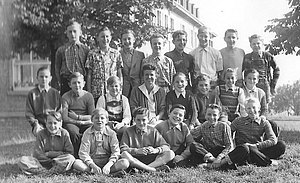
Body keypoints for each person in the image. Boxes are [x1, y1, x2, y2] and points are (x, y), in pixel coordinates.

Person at [218, 98, 286, 168]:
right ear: (246, 110)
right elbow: (228, 133)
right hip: (243, 150)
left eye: (254, 107)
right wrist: (232, 145)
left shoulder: (264, 122)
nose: (251, 110)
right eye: (248, 108)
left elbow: (273, 140)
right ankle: (268, 162)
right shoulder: (238, 121)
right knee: (246, 148)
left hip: (257, 150)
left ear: (259, 108)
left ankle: (254, 160)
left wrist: (256, 146)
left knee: (281, 145)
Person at [72, 108, 129, 177]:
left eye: (102, 118)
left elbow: (116, 152)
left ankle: (105, 171)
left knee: (125, 162)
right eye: (96, 118)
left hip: (107, 161)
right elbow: (83, 152)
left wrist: (108, 165)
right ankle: (99, 172)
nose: (99, 120)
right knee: (76, 163)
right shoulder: (87, 133)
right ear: (92, 120)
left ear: (107, 120)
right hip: (93, 161)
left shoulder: (112, 133)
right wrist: (92, 165)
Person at [120, 107, 175, 172]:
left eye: (144, 120)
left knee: (171, 153)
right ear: (134, 120)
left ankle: (142, 169)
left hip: (151, 159)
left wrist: (156, 150)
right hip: (135, 158)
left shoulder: (153, 130)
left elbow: (166, 146)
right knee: (124, 154)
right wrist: (137, 151)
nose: (141, 123)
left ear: (148, 120)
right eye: (138, 120)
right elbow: (123, 149)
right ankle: (153, 170)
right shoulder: (128, 131)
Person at [189, 104, 234, 169]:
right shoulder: (203, 126)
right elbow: (191, 134)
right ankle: (213, 161)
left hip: (221, 152)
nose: (212, 117)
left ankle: (211, 165)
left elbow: (229, 146)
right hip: (209, 153)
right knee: (193, 145)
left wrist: (219, 157)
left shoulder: (224, 126)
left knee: (236, 153)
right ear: (205, 115)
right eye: (209, 114)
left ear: (219, 116)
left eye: (215, 115)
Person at [86, 26, 123, 103]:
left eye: (107, 36)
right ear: (98, 38)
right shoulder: (92, 54)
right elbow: (89, 75)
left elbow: (120, 74)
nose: (105, 39)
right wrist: (89, 93)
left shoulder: (116, 53)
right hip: (96, 92)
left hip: (112, 92)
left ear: (111, 37)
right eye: (102, 37)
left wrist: (120, 89)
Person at [62, 72, 95, 158]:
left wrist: (79, 118)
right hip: (71, 122)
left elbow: (93, 115)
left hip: (85, 122)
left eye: (79, 82)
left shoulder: (88, 96)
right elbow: (65, 118)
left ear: (83, 83)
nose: (77, 85)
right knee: (73, 133)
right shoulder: (66, 97)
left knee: (91, 131)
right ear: (69, 85)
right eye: (74, 83)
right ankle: (76, 157)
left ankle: (91, 156)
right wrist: (76, 122)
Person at [242, 34, 280, 103]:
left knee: (264, 106)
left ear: (262, 44)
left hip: (265, 85)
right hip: (250, 85)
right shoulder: (247, 57)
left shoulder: (267, 56)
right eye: (254, 44)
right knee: (250, 104)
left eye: (258, 43)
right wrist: (243, 84)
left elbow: (276, 69)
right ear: (250, 45)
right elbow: (242, 70)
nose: (256, 45)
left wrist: (273, 84)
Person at [55, 20, 89, 95]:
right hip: (66, 82)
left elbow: (88, 68)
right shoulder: (61, 50)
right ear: (66, 34)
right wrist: (61, 82)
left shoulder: (86, 49)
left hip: (81, 82)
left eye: (75, 31)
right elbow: (57, 68)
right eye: (70, 32)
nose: (72, 34)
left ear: (80, 33)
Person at [25, 66, 62, 136]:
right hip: (39, 123)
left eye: (46, 77)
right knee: (40, 134)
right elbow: (29, 113)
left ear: (50, 78)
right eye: (41, 77)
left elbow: (59, 110)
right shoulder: (32, 93)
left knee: (60, 134)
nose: (44, 79)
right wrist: (35, 123)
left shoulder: (55, 93)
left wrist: (55, 122)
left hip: (53, 122)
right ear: (37, 78)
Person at [243, 69, 280, 137]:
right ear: (245, 79)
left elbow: (264, 109)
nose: (252, 81)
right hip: (245, 117)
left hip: (257, 118)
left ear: (257, 80)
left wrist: (262, 117)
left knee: (273, 125)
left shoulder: (261, 92)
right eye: (249, 78)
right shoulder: (241, 91)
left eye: (254, 79)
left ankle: (269, 144)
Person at [96, 76, 131, 141]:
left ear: (120, 87)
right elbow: (99, 115)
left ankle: (124, 148)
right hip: (107, 125)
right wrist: (106, 124)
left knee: (128, 130)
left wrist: (122, 124)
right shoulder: (102, 99)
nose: (114, 88)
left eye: (116, 86)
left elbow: (127, 117)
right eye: (111, 86)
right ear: (107, 88)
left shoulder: (124, 99)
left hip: (120, 125)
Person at [120, 29, 145, 98]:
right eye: (124, 39)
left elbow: (142, 74)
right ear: (121, 41)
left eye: (129, 39)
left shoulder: (140, 55)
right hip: (123, 89)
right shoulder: (118, 54)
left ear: (133, 40)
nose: (127, 41)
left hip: (137, 87)